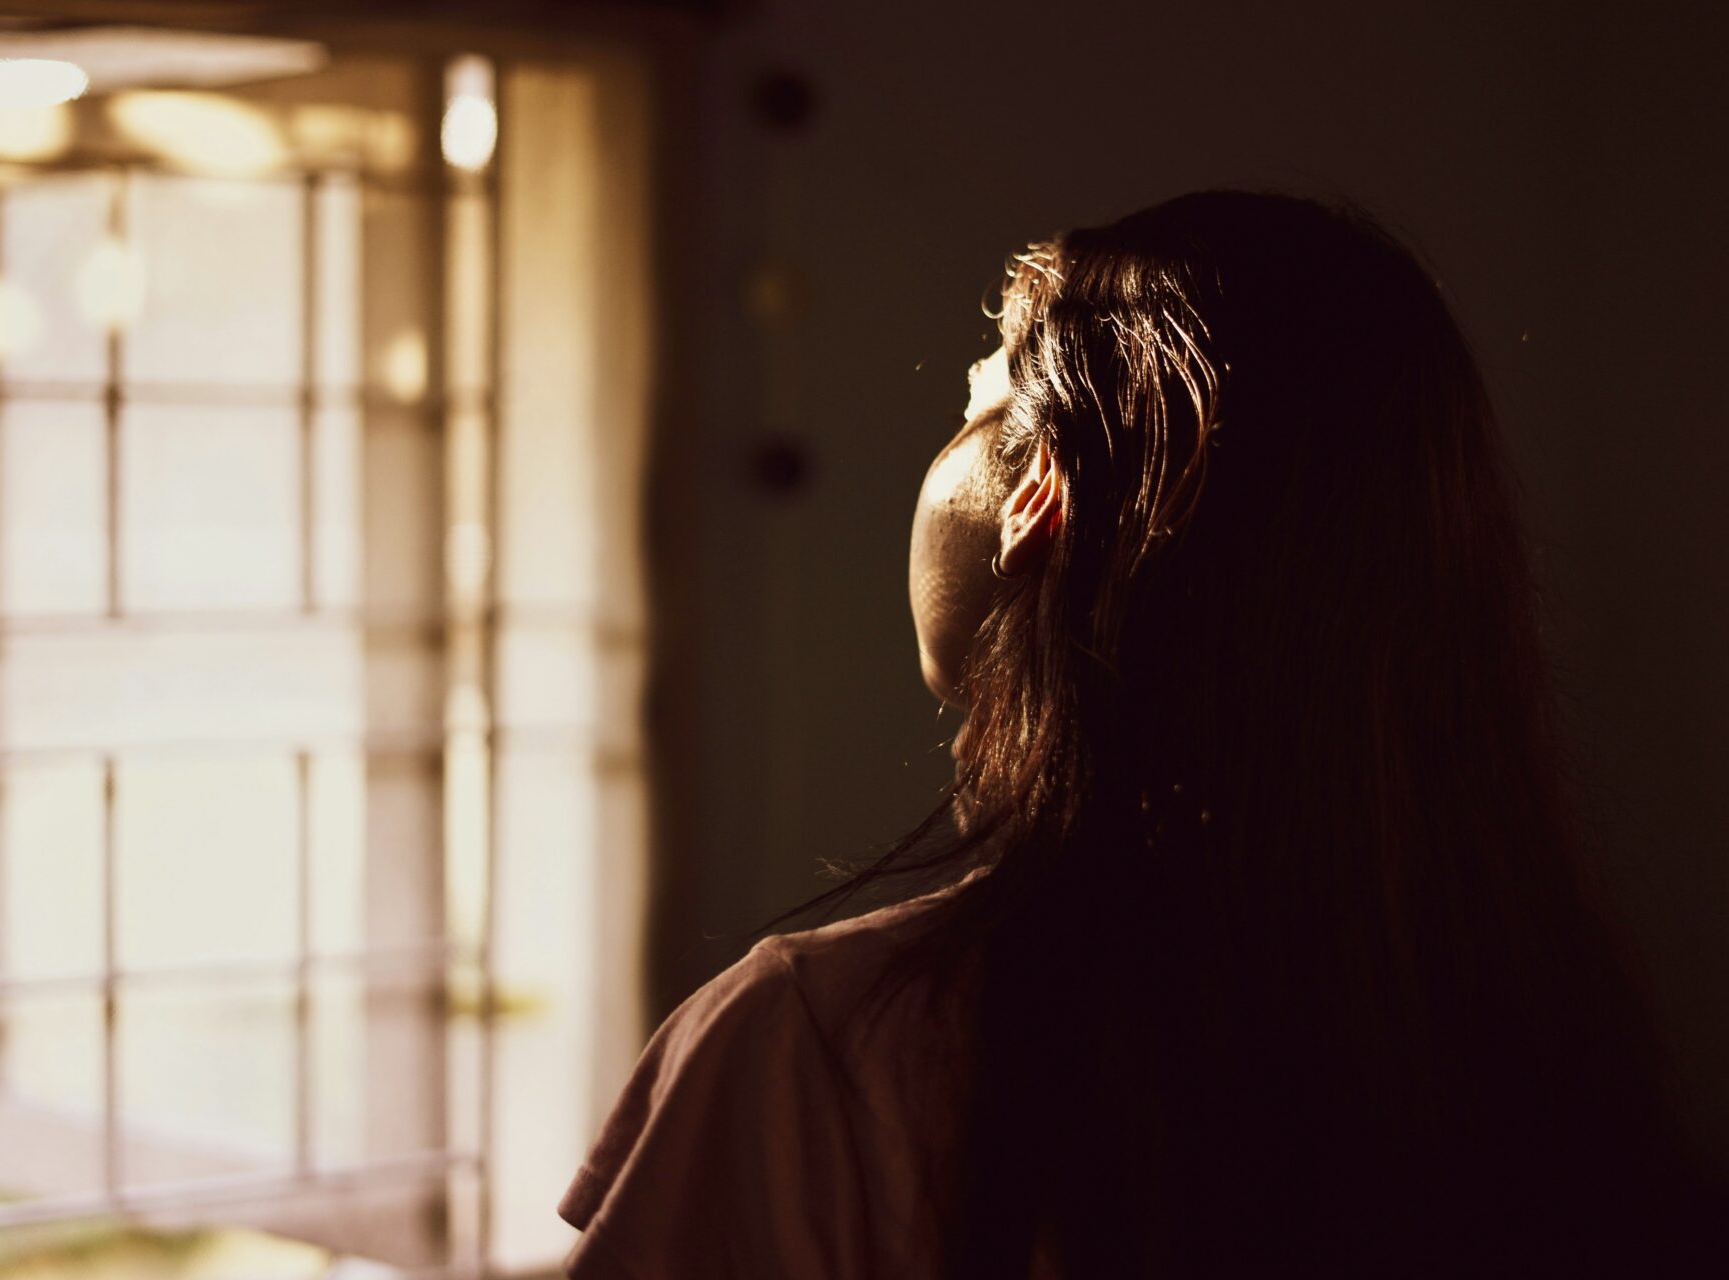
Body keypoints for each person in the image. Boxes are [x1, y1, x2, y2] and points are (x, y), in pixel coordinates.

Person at [556, 191, 1718, 1276]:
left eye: (975, 399)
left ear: (1040, 496)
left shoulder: (816, 1056)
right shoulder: (1554, 1056)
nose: (952, 432)